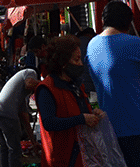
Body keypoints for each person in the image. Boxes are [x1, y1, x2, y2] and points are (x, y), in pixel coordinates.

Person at [86, 0, 140, 167]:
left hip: (108, 130)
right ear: (128, 23)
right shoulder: (136, 44)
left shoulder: (91, 45)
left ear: (103, 21)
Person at [36, 36, 104, 167]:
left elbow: (81, 111)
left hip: (82, 155)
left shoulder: (75, 85)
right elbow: (49, 122)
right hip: (61, 159)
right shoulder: (46, 89)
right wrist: (82, 119)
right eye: (76, 59)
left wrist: (93, 113)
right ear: (63, 63)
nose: (80, 64)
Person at [0, 66, 41, 167]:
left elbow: (25, 119)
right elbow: (29, 83)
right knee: (15, 150)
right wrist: (45, 84)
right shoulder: (30, 72)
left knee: (4, 148)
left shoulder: (19, 94)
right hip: (7, 115)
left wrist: (33, 142)